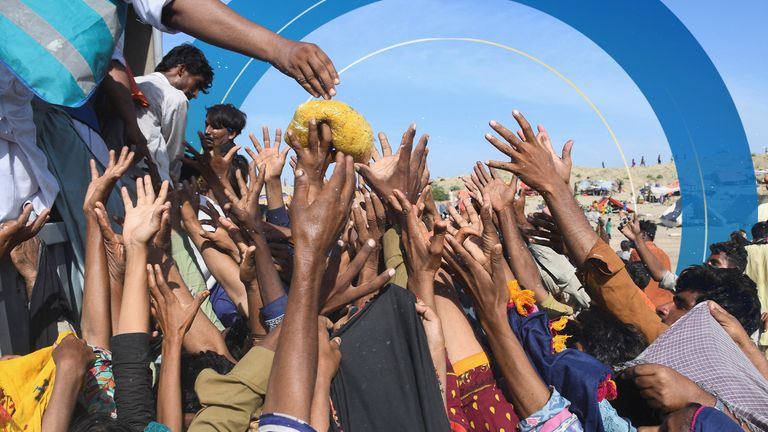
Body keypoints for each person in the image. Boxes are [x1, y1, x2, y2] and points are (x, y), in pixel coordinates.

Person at [133, 44, 214, 182]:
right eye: (197, 84)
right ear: (181, 70)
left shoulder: (133, 82)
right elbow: (173, 158)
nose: (195, 95)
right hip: (148, 183)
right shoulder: (175, 97)